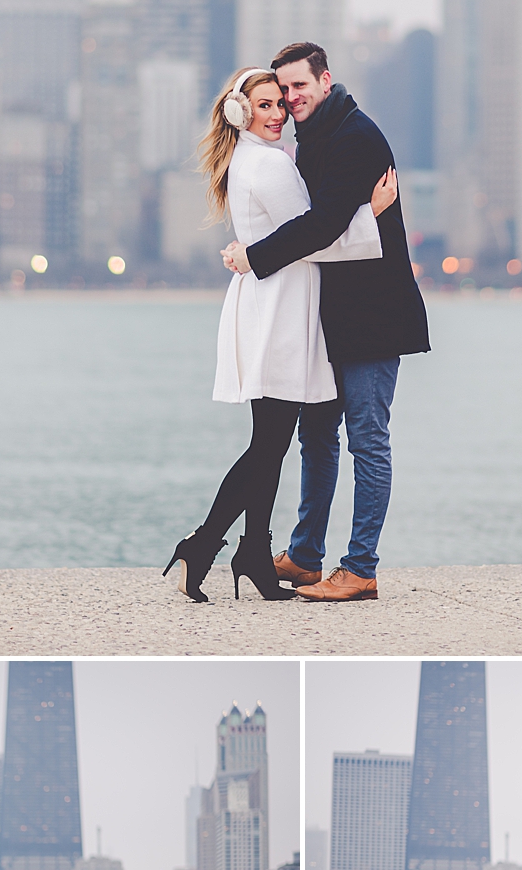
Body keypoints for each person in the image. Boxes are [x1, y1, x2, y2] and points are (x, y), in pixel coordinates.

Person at [165, 65, 394, 601]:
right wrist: (370, 214)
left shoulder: (247, 159)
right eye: (263, 105)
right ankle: (207, 543)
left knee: (269, 444)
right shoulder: (269, 165)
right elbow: (310, 236)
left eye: (279, 104)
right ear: (242, 111)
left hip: (271, 305)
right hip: (283, 311)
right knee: (267, 446)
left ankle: (245, 550)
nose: (277, 114)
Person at [222, 41, 429, 603]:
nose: (290, 99)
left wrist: (254, 254)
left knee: (367, 437)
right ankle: (306, 556)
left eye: (298, 87)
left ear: (325, 79)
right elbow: (320, 224)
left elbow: (323, 228)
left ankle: (360, 569)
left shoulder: (355, 137)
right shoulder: (309, 139)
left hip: (374, 316)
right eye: (282, 91)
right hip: (330, 315)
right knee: (317, 436)